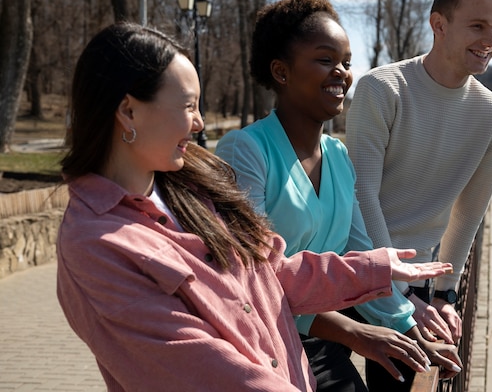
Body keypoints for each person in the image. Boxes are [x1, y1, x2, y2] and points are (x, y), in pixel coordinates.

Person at [55, 22, 454, 392]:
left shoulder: (193, 182)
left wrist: (375, 269)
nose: (199, 123)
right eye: (188, 106)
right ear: (128, 112)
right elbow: (202, 368)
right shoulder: (94, 243)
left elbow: (269, 274)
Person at [215, 0, 461, 392]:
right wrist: (354, 332)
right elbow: (255, 278)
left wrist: (411, 326)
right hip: (262, 346)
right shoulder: (244, 151)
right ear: (281, 71)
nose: (342, 73)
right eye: (325, 60)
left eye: (346, 62)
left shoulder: (338, 154)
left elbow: (359, 258)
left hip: (326, 344)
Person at [345, 0, 492, 389]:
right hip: (350, 269)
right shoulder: (382, 89)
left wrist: (444, 296)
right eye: (477, 26)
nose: (490, 40)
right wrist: (398, 294)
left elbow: (469, 213)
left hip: (415, 280)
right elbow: (361, 195)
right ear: (439, 25)